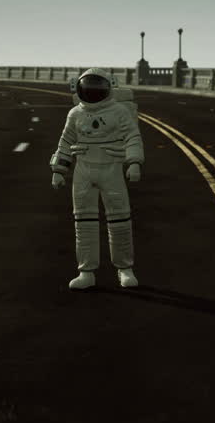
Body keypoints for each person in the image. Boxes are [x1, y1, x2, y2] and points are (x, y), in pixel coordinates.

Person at [49, 67, 144, 290]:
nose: (92, 92)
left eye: (97, 88)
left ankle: (124, 269)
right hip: (83, 169)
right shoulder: (75, 114)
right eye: (88, 88)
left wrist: (134, 163)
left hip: (111, 168)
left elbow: (132, 137)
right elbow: (65, 141)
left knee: (119, 220)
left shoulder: (119, 111)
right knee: (84, 223)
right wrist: (58, 170)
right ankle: (86, 271)